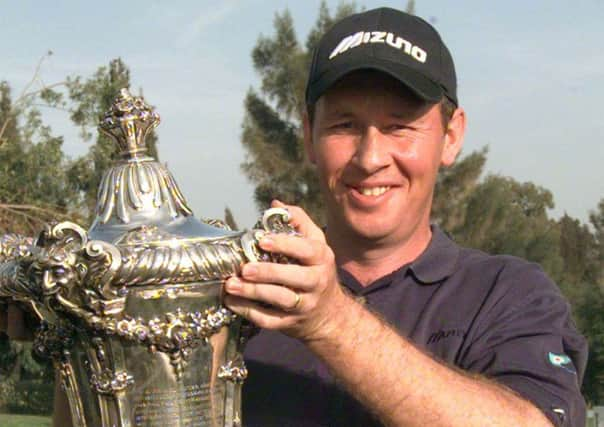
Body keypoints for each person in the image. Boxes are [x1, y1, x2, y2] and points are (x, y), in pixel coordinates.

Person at [223, 7, 588, 427]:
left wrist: (330, 320)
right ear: (309, 136)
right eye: (344, 125)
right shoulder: (246, 297)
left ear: (450, 138)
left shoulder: (509, 295)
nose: (370, 157)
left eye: (399, 126)